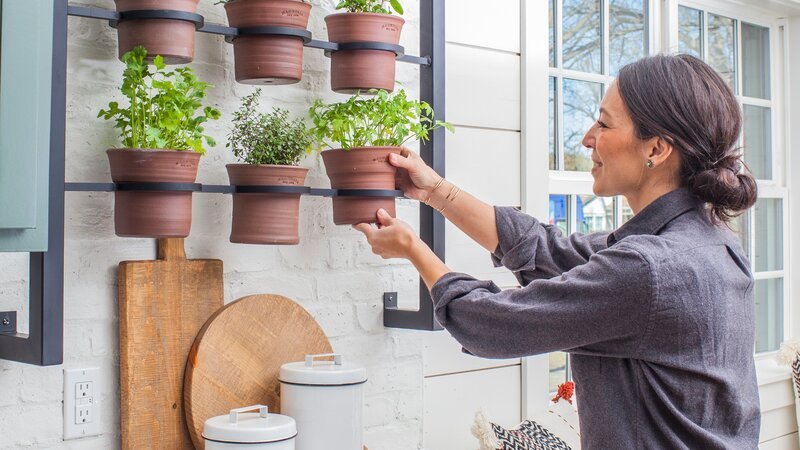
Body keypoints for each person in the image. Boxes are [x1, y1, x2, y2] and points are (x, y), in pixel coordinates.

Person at [353, 54, 761, 449]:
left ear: (655, 149)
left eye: (604, 123)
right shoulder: (712, 243)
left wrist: (413, 248)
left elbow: (490, 324)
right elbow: (546, 250)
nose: (587, 138)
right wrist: (435, 191)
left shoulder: (649, 270)